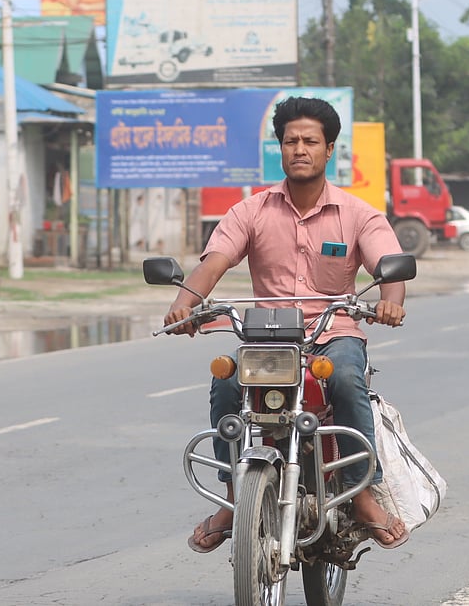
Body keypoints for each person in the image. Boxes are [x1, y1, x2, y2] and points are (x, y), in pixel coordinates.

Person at [165, 96, 411, 553]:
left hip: (332, 334)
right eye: (290, 140)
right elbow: (213, 264)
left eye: (310, 141)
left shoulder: (359, 215)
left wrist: (390, 302)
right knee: (225, 382)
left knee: (346, 379)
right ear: (280, 148)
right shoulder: (251, 211)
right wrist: (185, 304)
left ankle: (362, 493)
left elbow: (389, 268)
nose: (300, 148)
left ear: (329, 149)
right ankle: (236, 498)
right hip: (267, 342)